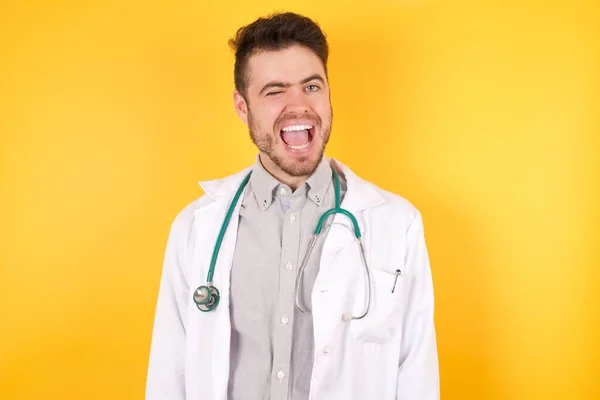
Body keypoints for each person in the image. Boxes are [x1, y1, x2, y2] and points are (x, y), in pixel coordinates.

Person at [145, 11, 439, 400]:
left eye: (312, 86)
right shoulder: (196, 228)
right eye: (274, 90)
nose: (298, 106)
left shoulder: (396, 224)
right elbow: (169, 374)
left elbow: (416, 370)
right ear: (242, 107)